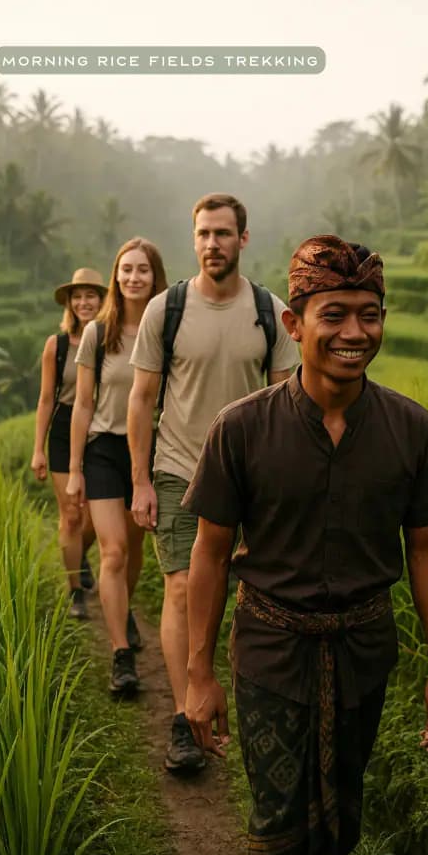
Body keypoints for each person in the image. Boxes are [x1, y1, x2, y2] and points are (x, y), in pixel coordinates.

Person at [182, 235, 428, 855]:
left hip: (365, 651)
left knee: (343, 819)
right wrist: (199, 672)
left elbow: (427, 548)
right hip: (271, 652)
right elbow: (209, 553)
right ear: (294, 323)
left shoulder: (410, 428)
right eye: (333, 314)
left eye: (369, 314)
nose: (353, 332)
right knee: (280, 825)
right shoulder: (242, 428)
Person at [127, 193, 298, 770]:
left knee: (245, 597)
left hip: (250, 481)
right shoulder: (165, 310)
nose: (212, 244)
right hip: (178, 470)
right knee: (181, 588)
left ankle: (242, 701)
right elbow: (143, 397)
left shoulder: (271, 312)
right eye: (203, 234)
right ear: (192, 237)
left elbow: (287, 403)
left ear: (243, 239)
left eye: (223, 234)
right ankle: (183, 716)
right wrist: (140, 482)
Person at [67, 237, 167, 695]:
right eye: (126, 269)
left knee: (134, 547)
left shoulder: (168, 326)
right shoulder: (97, 332)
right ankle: (120, 654)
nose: (133, 278)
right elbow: (83, 404)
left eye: (142, 270)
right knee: (113, 552)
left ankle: (122, 607)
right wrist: (74, 469)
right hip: (104, 448)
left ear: (154, 276)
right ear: (115, 275)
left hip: (150, 450)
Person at [31, 268, 106, 619]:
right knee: (72, 514)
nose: (83, 302)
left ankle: (79, 556)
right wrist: (38, 449)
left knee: (97, 514)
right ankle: (74, 588)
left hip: (102, 428)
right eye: (77, 297)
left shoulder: (111, 340)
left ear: (102, 300)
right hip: (63, 428)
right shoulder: (56, 345)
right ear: (70, 303)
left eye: (90, 295)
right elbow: (46, 399)